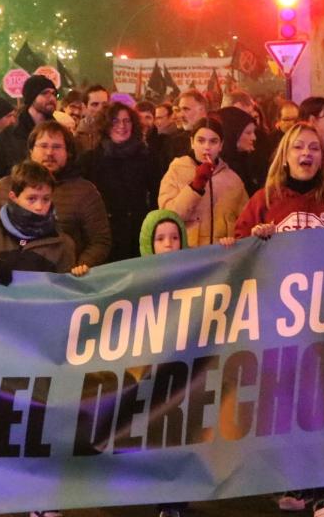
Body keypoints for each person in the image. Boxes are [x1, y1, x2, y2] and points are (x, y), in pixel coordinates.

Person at [226, 121, 324, 517]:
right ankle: (298, 486)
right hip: (280, 324)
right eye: (298, 148)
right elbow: (235, 251)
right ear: (284, 156)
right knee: (286, 406)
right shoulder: (265, 198)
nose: (306, 154)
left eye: (314, 149)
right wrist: (255, 236)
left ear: (322, 157)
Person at [0, 121, 109, 274]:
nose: (49, 153)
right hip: (10, 282)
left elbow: (100, 241)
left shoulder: (85, 191)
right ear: (31, 150)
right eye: (43, 146)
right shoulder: (4, 186)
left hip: (63, 284)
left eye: (57, 147)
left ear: (68, 152)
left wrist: (79, 267)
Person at [138, 206, 194, 517]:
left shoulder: (198, 275)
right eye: (160, 238)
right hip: (150, 371)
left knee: (180, 433)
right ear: (149, 243)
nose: (169, 244)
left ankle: (174, 502)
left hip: (186, 371)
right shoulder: (134, 279)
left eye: (175, 237)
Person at [0, 160, 77, 276]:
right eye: (31, 198)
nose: (39, 207)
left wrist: (79, 274)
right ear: (13, 197)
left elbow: (65, 290)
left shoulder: (63, 244)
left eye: (46, 199)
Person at [78, 100, 156, 262]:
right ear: (106, 125)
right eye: (115, 120)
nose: (122, 126)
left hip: (137, 233)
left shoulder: (146, 157)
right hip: (104, 236)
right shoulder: (90, 160)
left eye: (127, 121)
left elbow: (156, 193)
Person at [159, 116, 247, 247]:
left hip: (222, 256)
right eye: (200, 141)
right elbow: (168, 217)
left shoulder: (233, 180)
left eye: (213, 141)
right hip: (188, 254)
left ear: (221, 145)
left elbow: (245, 222)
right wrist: (195, 187)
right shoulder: (177, 170)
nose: (207, 147)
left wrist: (233, 239)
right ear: (192, 142)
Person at [0, 74, 59, 180]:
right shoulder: (6, 138)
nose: (52, 98)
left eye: (54, 94)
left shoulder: (61, 134)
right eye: (45, 93)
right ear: (31, 97)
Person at [216, 105, 264, 195]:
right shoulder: (220, 168)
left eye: (254, 132)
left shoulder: (249, 161)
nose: (254, 137)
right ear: (232, 134)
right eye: (248, 133)